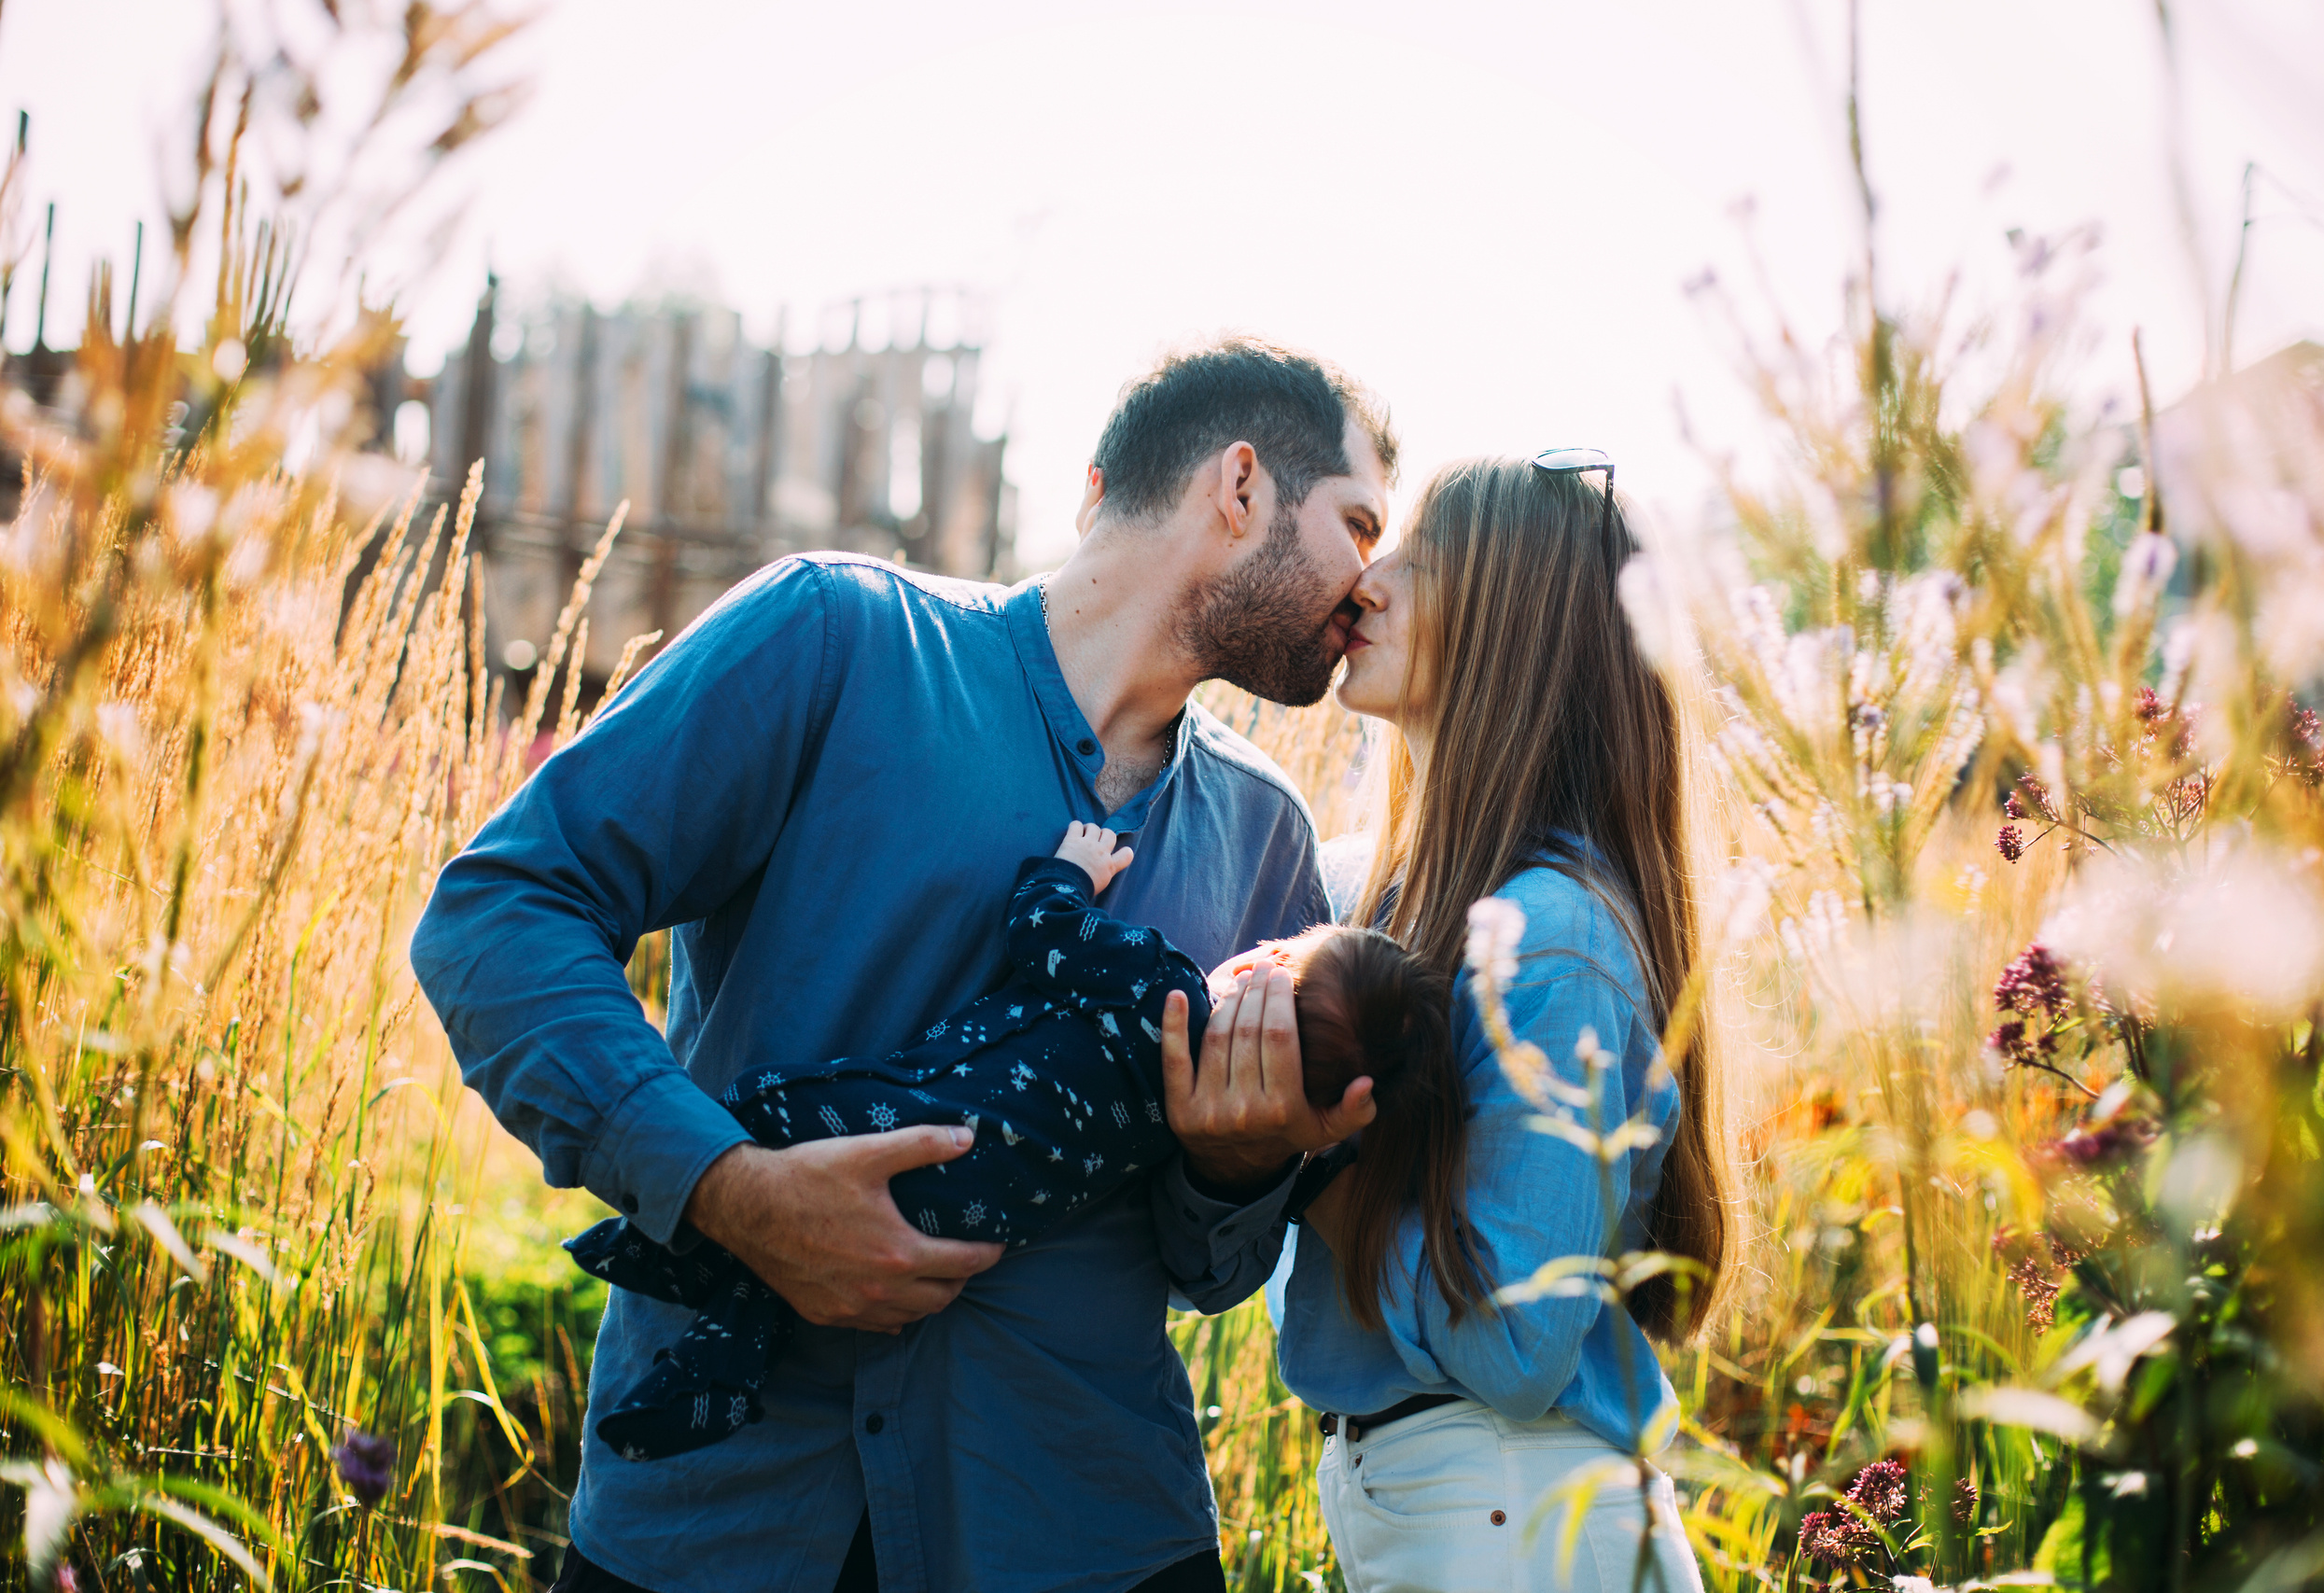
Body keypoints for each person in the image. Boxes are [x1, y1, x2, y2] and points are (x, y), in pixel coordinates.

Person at [409, 337, 1394, 1593]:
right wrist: (724, 1186)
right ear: (1240, 486)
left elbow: (1215, 1271)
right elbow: (502, 908)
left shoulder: (1266, 837)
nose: (1370, 585)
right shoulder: (834, 638)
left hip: (1081, 1533)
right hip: (726, 1524)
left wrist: (1235, 1167)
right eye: (1359, 524)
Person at [566, 821, 1462, 1467]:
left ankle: (671, 1244)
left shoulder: (1161, 985)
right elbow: (1219, 1245)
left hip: (914, 1128)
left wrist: (1070, 870)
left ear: (1264, 969)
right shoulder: (1208, 1119)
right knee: (788, 1275)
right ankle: (712, 1362)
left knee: (762, 1105)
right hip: (976, 1223)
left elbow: (1041, 931)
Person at [1264, 454, 1731, 1592]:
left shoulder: (1553, 943)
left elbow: (1518, 1349)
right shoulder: (1388, 904)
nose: (1366, 583)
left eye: (1418, 563)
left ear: (1511, 627)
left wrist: (1312, 1171)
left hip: (1518, 1516)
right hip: (1458, 1508)